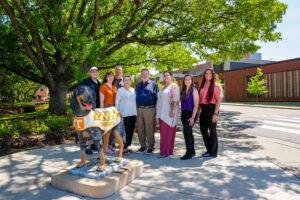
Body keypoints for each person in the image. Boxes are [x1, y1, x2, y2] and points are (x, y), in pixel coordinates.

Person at [198, 68, 223, 158]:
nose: (208, 74)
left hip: (212, 108)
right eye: (206, 73)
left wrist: (215, 114)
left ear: (213, 75)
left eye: (210, 73)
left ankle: (213, 152)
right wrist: (197, 113)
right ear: (204, 75)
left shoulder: (216, 86)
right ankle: (209, 150)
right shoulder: (203, 85)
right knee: (203, 130)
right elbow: (200, 102)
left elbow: (218, 100)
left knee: (212, 131)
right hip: (203, 109)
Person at [156, 71, 180, 158]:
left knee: (168, 133)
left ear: (171, 77)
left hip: (169, 113)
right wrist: (157, 114)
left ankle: (165, 151)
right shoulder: (162, 87)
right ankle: (168, 150)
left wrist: (173, 111)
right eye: (164, 75)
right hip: (161, 113)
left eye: (167, 75)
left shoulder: (174, 86)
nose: (166, 77)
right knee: (164, 133)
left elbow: (176, 99)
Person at [135, 69, 159, 154]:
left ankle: (151, 147)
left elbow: (157, 98)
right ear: (141, 75)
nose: (144, 75)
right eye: (142, 74)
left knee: (149, 128)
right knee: (140, 129)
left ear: (149, 75)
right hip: (139, 109)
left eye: (146, 74)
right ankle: (143, 146)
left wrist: (156, 110)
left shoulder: (153, 84)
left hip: (150, 109)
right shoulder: (138, 85)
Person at [79, 66, 101, 154]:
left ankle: (93, 144)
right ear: (90, 73)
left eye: (96, 72)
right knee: (86, 127)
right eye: (93, 72)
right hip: (87, 108)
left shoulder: (99, 83)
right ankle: (85, 147)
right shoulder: (86, 81)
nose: (95, 73)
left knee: (94, 127)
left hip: (96, 109)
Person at [115, 75, 137, 155]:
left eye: (128, 80)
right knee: (125, 132)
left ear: (130, 81)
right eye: (125, 80)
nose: (127, 81)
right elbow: (117, 102)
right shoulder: (120, 90)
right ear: (123, 82)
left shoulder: (133, 90)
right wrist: (118, 112)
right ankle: (123, 148)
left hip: (133, 113)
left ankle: (128, 146)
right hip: (124, 114)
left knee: (131, 131)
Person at [180, 75, 199, 160]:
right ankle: (192, 151)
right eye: (185, 79)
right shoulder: (183, 91)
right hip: (184, 114)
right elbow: (182, 104)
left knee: (186, 133)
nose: (187, 81)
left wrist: (192, 117)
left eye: (189, 79)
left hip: (191, 113)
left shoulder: (194, 91)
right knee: (189, 133)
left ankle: (188, 153)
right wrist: (181, 114)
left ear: (192, 81)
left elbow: (196, 106)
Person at [99, 71, 118, 153]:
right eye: (109, 76)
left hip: (114, 109)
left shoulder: (114, 87)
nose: (110, 78)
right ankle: (105, 147)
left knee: (113, 129)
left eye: (112, 76)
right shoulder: (103, 87)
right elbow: (101, 101)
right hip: (107, 108)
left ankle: (110, 145)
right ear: (106, 77)